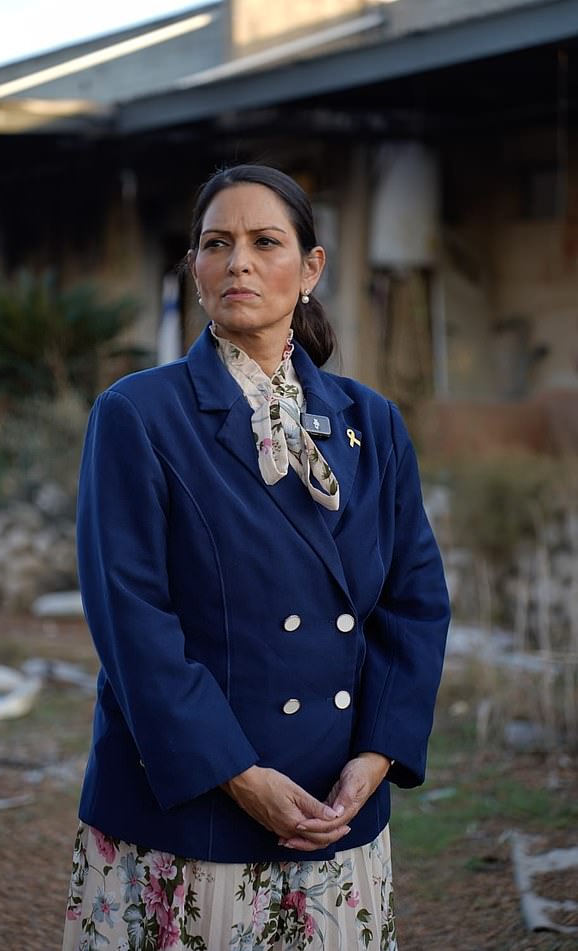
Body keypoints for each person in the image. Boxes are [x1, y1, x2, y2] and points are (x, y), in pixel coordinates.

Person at [62, 164, 450, 951]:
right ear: (196, 269)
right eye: (216, 243)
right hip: (192, 813)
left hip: (336, 815)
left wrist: (374, 756)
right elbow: (134, 625)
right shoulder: (137, 414)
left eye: (265, 241)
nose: (238, 261)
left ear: (310, 268)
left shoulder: (370, 422)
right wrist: (238, 774)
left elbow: (415, 604)